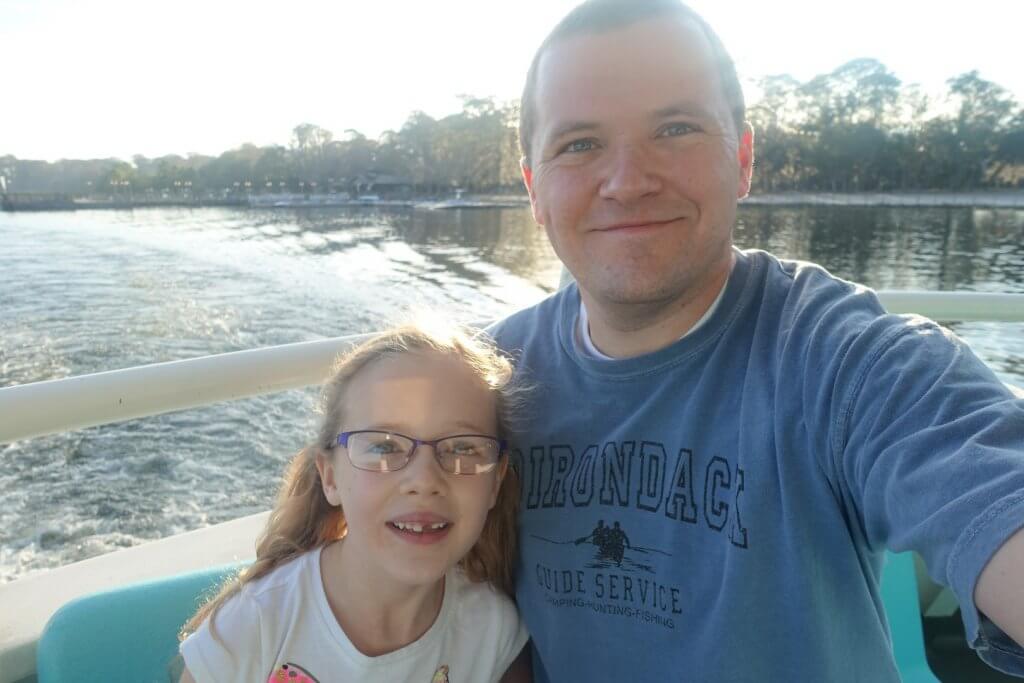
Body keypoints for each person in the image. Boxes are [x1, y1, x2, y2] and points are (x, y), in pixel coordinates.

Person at [488, 0, 1024, 680]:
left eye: (676, 128)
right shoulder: (489, 381)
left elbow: (980, 469)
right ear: (534, 189)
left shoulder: (838, 357)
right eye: (580, 144)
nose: (627, 182)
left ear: (742, 158)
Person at [178, 322, 531, 682]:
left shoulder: (494, 636)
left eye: (462, 448)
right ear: (330, 477)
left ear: (495, 482)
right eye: (384, 446)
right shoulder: (252, 630)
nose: (424, 481)